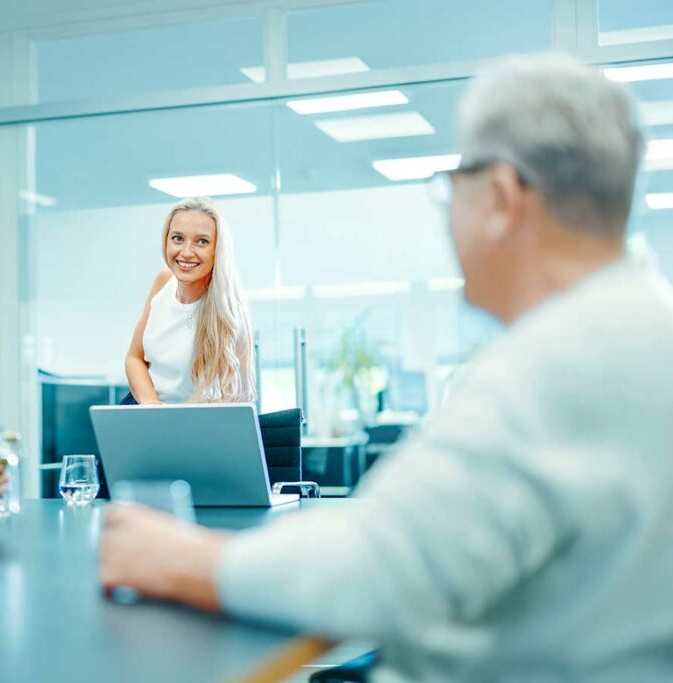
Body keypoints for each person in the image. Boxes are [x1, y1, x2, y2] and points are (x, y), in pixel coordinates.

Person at [99, 54, 673, 680]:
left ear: (502, 199)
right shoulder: (642, 328)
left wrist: (180, 559)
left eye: (450, 190)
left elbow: (372, 569)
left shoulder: (557, 364)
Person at [124, 197, 255, 404]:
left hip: (198, 422)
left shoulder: (228, 308)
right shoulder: (164, 280)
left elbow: (239, 397)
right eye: (177, 238)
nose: (186, 252)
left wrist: (179, 419)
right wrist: (152, 407)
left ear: (217, 249)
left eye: (201, 241)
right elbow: (134, 358)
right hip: (146, 409)